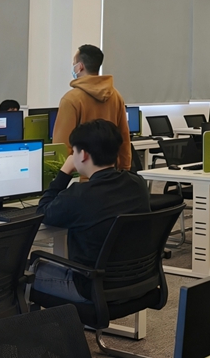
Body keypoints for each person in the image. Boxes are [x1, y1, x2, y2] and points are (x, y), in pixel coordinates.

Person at [32, 119, 150, 301]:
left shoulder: (79, 195)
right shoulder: (137, 184)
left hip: (89, 286)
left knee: (27, 270)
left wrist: (64, 172)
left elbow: (42, 212)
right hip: (137, 280)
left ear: (83, 154)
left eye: (74, 151)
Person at [52, 44, 131, 171]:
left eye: (74, 63)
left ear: (80, 66)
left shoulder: (71, 99)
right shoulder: (116, 96)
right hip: (111, 173)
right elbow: (124, 138)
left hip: (82, 176)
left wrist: (63, 175)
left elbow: (62, 146)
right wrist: (125, 169)